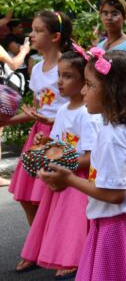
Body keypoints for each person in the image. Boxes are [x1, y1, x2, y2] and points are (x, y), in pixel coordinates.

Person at [39, 50, 126, 281]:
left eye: (90, 85)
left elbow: (114, 194)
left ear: (113, 91)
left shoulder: (111, 136)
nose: (83, 91)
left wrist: (69, 179)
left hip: (117, 229)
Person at [16, 50, 101, 278]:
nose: (59, 81)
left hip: (78, 177)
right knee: (59, 217)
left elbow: (93, 156)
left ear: (84, 82)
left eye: (67, 76)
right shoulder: (63, 110)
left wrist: (66, 167)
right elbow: (59, 141)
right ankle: (61, 254)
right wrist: (45, 142)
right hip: (64, 173)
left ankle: (74, 257)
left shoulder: (87, 114)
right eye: (59, 75)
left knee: (74, 219)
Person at [2, 11, 71, 225]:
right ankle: (36, 242)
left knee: (48, 195)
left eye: (38, 31)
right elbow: (37, 110)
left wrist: (55, 121)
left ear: (55, 37)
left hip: (60, 136)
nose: (31, 35)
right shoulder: (37, 66)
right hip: (38, 134)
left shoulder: (66, 66)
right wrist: (6, 121)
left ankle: (46, 246)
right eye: (32, 29)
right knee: (26, 195)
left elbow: (79, 104)